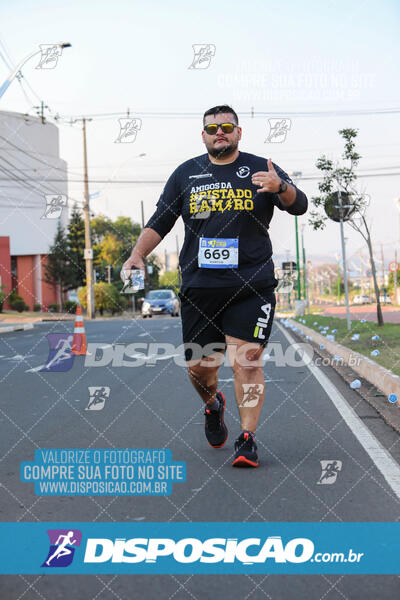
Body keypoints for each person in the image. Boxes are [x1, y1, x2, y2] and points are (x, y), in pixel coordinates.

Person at [122, 105, 308, 468]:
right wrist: (137, 255)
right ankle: (213, 405)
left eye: (226, 127)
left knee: (248, 362)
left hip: (251, 284)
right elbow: (161, 220)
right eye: (212, 128)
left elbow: (299, 205)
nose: (219, 132)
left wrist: (281, 186)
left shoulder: (261, 169)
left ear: (239, 132)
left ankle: (248, 438)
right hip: (200, 286)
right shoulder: (186, 174)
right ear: (203, 135)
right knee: (201, 368)